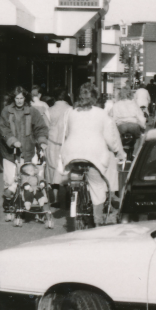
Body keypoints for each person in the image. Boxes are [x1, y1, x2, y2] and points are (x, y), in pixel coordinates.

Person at [58, 83, 126, 226]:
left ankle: (76, 202)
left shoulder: (70, 112)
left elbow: (66, 134)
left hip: (72, 155)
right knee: (98, 188)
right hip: (93, 157)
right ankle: (98, 221)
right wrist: (119, 153)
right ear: (95, 97)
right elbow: (111, 138)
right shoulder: (102, 114)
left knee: (75, 180)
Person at [0, 87, 49, 222]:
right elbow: (3, 128)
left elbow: (40, 128)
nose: (19, 101)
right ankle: (9, 202)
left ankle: (29, 201)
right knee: (10, 180)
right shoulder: (6, 111)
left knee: (29, 178)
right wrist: (13, 141)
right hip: (10, 152)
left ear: (25, 98)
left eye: (21, 98)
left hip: (28, 150)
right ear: (13, 99)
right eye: (17, 98)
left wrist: (42, 141)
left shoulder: (32, 111)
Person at [45, 90, 73, 196]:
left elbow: (45, 128)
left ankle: (55, 196)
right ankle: (67, 193)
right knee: (66, 167)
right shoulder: (71, 110)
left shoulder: (49, 110)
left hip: (52, 142)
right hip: (67, 142)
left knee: (52, 167)